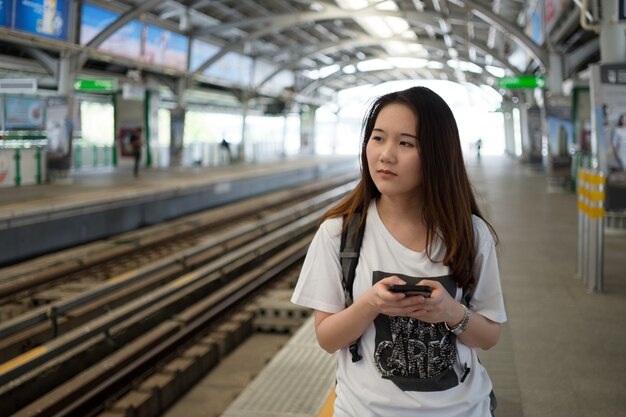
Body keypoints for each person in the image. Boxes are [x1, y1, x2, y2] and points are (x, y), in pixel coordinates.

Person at [291, 86, 506, 417]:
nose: (385, 154)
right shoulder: (339, 234)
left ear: (437, 153)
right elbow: (327, 338)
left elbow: (489, 335)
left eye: (406, 143)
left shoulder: (471, 235)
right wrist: (371, 303)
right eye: (378, 138)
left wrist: (451, 312)